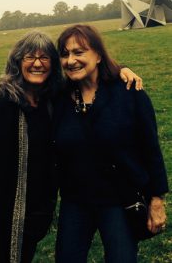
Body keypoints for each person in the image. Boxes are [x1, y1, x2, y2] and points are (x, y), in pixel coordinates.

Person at [0, 29, 142, 263]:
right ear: (17, 62)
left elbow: (91, 71)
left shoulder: (51, 101)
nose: (37, 64)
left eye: (44, 58)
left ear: (53, 64)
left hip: (30, 224)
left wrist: (120, 70)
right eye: (29, 57)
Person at [53, 24, 168, 263]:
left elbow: (151, 148)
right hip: (76, 201)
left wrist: (157, 199)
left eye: (78, 52)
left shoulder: (128, 91)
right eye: (64, 54)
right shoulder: (58, 98)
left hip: (119, 199)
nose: (70, 60)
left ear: (97, 55)